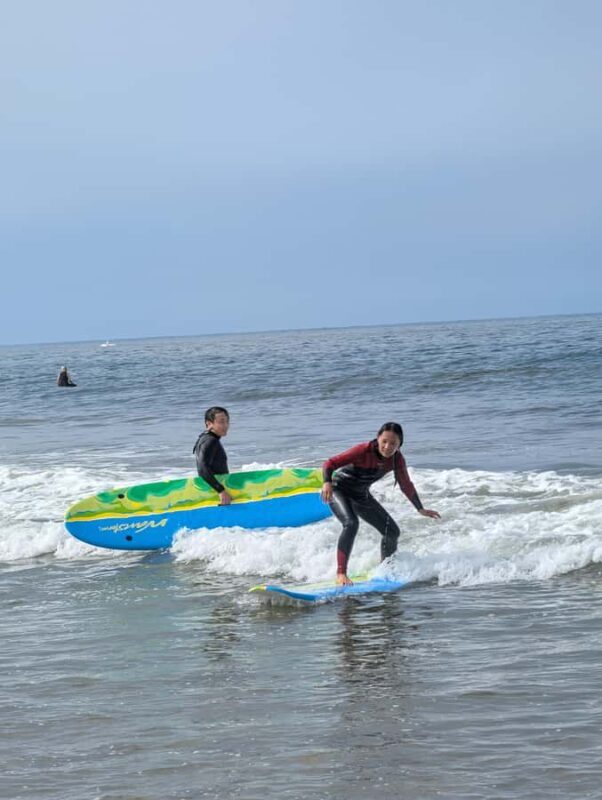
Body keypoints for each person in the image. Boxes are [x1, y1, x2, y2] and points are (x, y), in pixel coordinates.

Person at [321, 422, 440, 585]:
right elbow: (330, 463)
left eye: (393, 443)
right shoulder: (363, 450)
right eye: (384, 441)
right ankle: (341, 574)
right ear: (378, 439)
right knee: (351, 523)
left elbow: (406, 484)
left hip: (361, 495)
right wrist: (327, 482)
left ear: (400, 445)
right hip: (338, 489)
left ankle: (386, 570)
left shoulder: (397, 460)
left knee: (391, 531)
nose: (387, 447)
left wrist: (420, 508)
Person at [193, 406, 231, 505]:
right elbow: (202, 469)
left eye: (227, 421)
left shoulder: (205, 438)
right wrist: (221, 491)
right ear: (209, 424)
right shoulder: (210, 441)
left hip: (212, 489)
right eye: (221, 422)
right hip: (217, 492)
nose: (226, 425)